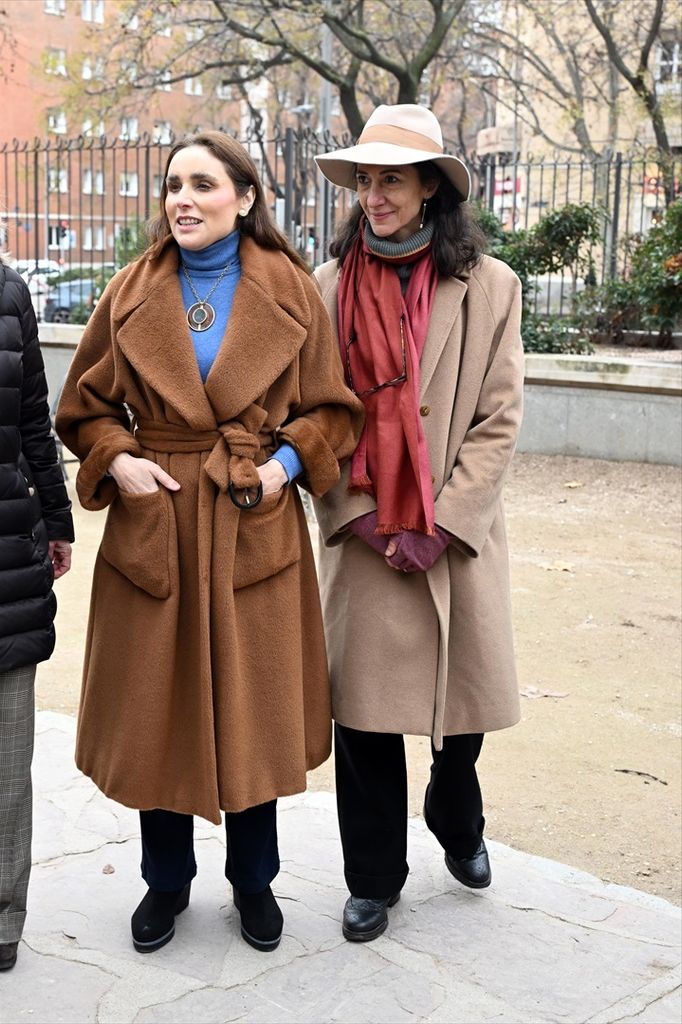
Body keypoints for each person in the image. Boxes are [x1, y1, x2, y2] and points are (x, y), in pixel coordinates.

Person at [56, 131, 363, 955]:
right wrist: (118, 463)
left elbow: (334, 410)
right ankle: (165, 883)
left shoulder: (293, 293)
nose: (182, 199)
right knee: (160, 707)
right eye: (172, 185)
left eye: (202, 184)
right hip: (156, 519)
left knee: (250, 708)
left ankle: (254, 883)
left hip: (248, 516)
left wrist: (285, 466)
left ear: (246, 197)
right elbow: (82, 410)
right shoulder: (128, 291)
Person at [313, 104, 524, 942]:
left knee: (459, 712)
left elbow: (499, 418)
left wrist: (447, 521)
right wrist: (359, 516)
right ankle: (372, 878)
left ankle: (456, 814)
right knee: (364, 720)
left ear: (431, 188)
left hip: (456, 540)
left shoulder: (492, 285)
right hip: (366, 534)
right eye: (365, 180)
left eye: (390, 179)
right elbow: (312, 416)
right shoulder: (327, 288)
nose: (374, 195)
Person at [0, 259, 74, 971]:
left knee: (6, 759)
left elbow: (31, 422)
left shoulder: (10, 291)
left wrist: (57, 521)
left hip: (8, 564)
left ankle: (0, 923)